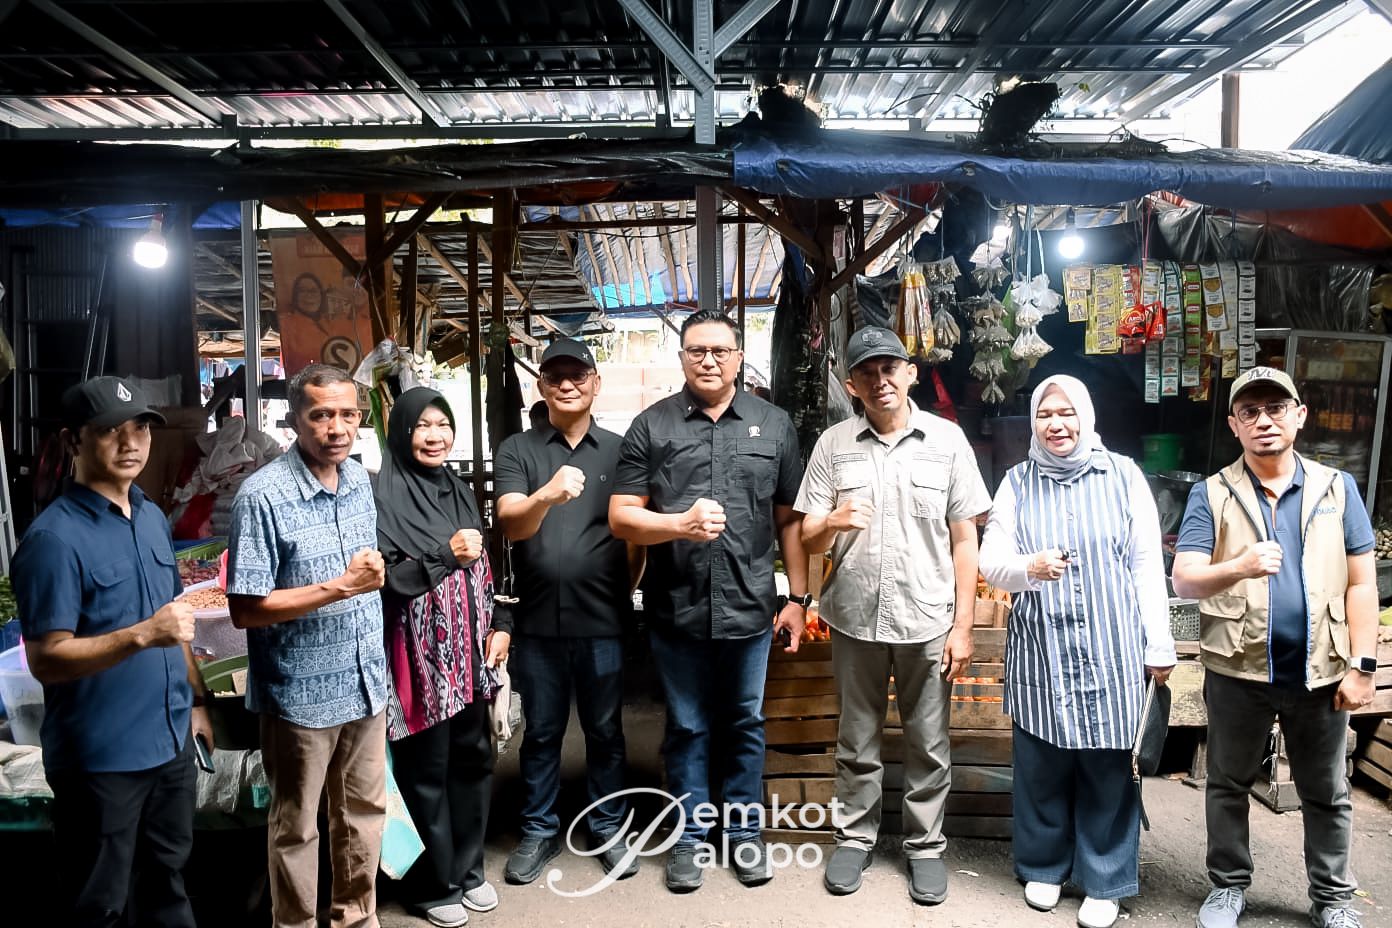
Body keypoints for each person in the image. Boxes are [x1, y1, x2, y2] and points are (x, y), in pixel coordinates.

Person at [609, 309, 810, 893]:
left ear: (739, 358)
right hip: (676, 606)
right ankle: (689, 838)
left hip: (750, 608)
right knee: (688, 725)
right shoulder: (652, 425)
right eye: (697, 350)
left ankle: (744, 834)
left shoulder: (773, 424)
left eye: (720, 351)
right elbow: (622, 518)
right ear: (681, 358)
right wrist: (679, 525)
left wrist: (798, 598)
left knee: (745, 722)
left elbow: (789, 521)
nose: (709, 361)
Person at [1173, 366, 1378, 928]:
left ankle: (1332, 897)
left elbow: (1362, 584)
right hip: (1238, 671)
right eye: (1250, 411)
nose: (1263, 420)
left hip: (1322, 672)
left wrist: (1363, 665)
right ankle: (1227, 887)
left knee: (1327, 791)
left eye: (1276, 408)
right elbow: (1185, 579)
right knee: (1227, 785)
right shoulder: (1211, 493)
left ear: (1299, 416)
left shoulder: (1338, 489)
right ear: (1234, 425)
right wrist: (1239, 566)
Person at [795, 326, 991, 906]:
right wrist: (832, 521)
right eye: (866, 372)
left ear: (909, 374)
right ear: (851, 385)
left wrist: (963, 626)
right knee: (856, 737)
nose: (879, 380)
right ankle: (854, 838)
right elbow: (808, 537)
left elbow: (965, 539)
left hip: (927, 619)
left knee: (928, 740)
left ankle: (925, 847)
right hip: (853, 617)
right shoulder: (833, 445)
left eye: (889, 368)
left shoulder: (947, 441)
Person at [13, 376, 212, 928]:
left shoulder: (149, 516)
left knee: (167, 884)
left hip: (169, 743)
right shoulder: (53, 541)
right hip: (103, 760)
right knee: (100, 904)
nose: (131, 443)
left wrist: (196, 704)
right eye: (109, 431)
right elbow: (46, 658)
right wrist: (140, 635)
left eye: (140, 429)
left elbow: (175, 619)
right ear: (73, 441)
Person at [978, 374, 1176, 928]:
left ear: (1085, 417)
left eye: (1066, 413)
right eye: (1045, 414)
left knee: (1109, 764)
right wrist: (1029, 568)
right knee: (1042, 762)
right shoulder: (1017, 482)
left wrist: (1159, 642)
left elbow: (1146, 563)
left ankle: (1104, 878)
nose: (1056, 424)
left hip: (1113, 644)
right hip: (1043, 645)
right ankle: (1044, 866)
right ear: (1033, 423)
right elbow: (991, 563)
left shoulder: (1123, 475)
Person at [227, 363, 389, 928]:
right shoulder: (262, 496)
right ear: (294, 419)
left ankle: (357, 918)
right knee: (296, 826)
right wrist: (340, 586)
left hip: (365, 681)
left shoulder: (359, 481)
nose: (336, 428)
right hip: (300, 693)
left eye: (348, 415)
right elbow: (246, 609)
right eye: (321, 415)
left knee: (364, 813)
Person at [495, 339, 639, 884]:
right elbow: (511, 523)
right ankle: (539, 829)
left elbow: (636, 540)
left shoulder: (622, 450)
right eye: (555, 376)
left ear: (596, 383)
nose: (567, 384)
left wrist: (621, 592)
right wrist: (546, 496)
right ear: (541, 387)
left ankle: (607, 827)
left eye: (578, 375)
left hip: (603, 621)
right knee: (541, 732)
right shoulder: (518, 450)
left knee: (605, 731)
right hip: (537, 623)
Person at [372, 386, 512, 928]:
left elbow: (488, 564)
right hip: (418, 661)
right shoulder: (382, 498)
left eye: (443, 425)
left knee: (473, 761)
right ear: (402, 433)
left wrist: (502, 625)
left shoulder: (457, 489)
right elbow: (384, 582)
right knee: (425, 770)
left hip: (470, 657)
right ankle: (431, 885)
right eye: (422, 426)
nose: (435, 437)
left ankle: (468, 870)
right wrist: (443, 556)